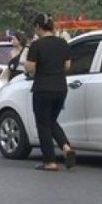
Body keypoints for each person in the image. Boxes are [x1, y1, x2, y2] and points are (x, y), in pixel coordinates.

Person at [25, 13, 76, 171]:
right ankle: (66, 147)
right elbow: (67, 66)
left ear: (38, 27)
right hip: (60, 88)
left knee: (43, 124)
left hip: (43, 88)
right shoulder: (63, 43)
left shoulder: (37, 45)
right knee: (51, 121)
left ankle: (50, 161)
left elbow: (29, 68)